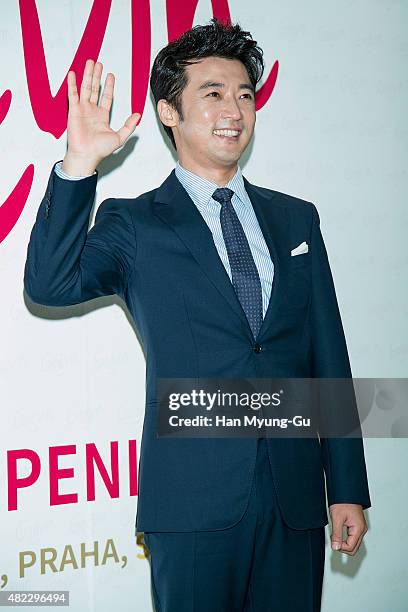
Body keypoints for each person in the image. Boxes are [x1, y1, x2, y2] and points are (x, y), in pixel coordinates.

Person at [24, 18, 370, 612]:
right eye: (212, 93)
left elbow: (327, 356)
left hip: (294, 499)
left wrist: (347, 487)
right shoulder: (134, 223)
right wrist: (79, 164)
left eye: (243, 94)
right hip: (191, 499)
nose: (233, 108)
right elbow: (50, 285)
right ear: (168, 112)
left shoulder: (296, 220)